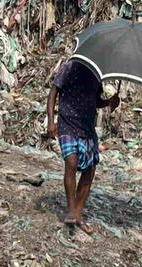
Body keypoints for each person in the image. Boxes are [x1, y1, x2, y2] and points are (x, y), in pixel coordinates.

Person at [45, 55, 117, 234]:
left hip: (87, 128)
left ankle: (78, 213)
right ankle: (70, 210)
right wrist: (51, 122)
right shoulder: (69, 68)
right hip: (67, 124)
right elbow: (53, 93)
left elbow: (95, 100)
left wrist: (110, 101)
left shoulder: (95, 74)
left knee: (90, 169)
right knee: (71, 162)